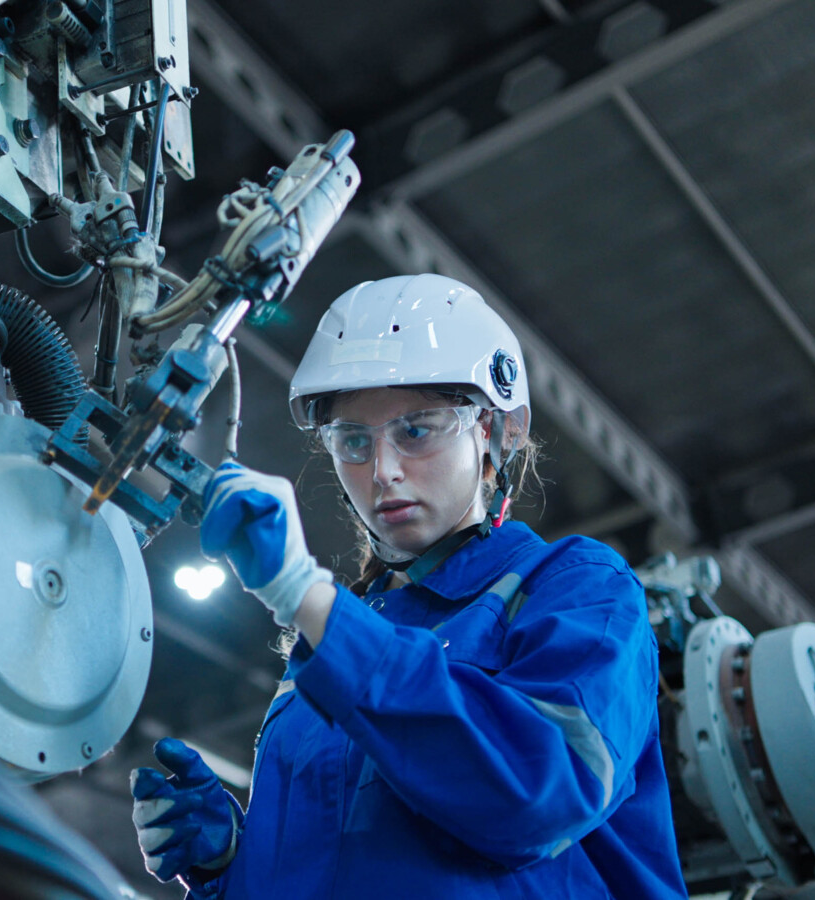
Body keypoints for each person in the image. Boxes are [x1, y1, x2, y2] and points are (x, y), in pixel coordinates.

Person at [129, 274, 688, 899]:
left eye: (416, 430)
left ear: (497, 429)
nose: (383, 471)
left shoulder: (576, 586)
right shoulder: (339, 644)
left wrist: (306, 596)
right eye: (353, 441)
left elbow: (540, 794)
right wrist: (231, 864)